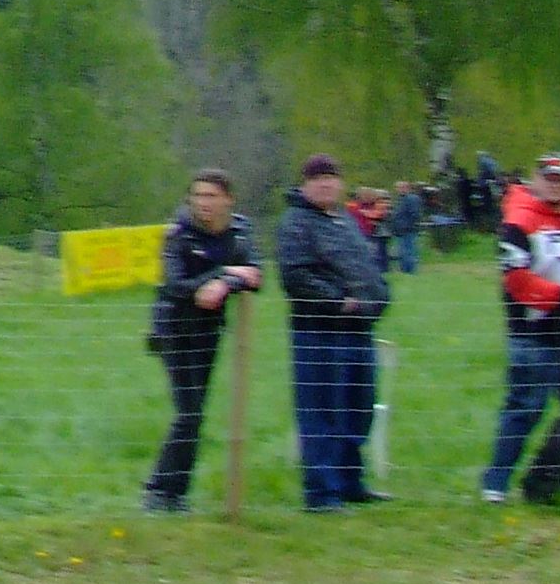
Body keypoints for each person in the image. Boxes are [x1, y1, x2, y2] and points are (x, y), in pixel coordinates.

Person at [481, 152, 560, 503]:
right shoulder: (518, 221)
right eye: (548, 178)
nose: (554, 185)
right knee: (525, 409)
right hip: (536, 337)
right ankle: (495, 484)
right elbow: (516, 279)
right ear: (536, 180)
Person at [142, 169, 261, 513]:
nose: (203, 203)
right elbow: (176, 287)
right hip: (174, 329)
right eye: (197, 195)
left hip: (209, 330)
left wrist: (226, 283)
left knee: (195, 413)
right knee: (189, 412)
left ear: (228, 199)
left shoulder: (240, 232)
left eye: (211, 196)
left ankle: (175, 494)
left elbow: (255, 275)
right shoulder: (178, 235)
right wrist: (224, 273)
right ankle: (159, 491)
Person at [275, 154, 390, 511]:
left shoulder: (345, 220)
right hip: (319, 331)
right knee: (322, 412)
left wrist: (379, 295)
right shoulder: (295, 223)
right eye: (318, 178)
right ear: (305, 184)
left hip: (358, 330)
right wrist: (339, 301)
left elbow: (365, 265)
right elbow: (295, 276)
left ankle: (350, 482)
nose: (325, 184)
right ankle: (321, 493)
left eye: (331, 178)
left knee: (358, 408)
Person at [387, 179, 425, 276]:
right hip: (400, 230)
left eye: (401, 187)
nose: (398, 190)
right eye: (397, 187)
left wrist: (406, 225)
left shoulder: (411, 199)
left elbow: (415, 214)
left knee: (408, 250)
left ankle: (410, 270)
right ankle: (405, 269)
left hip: (408, 229)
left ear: (407, 188)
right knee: (402, 250)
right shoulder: (401, 199)